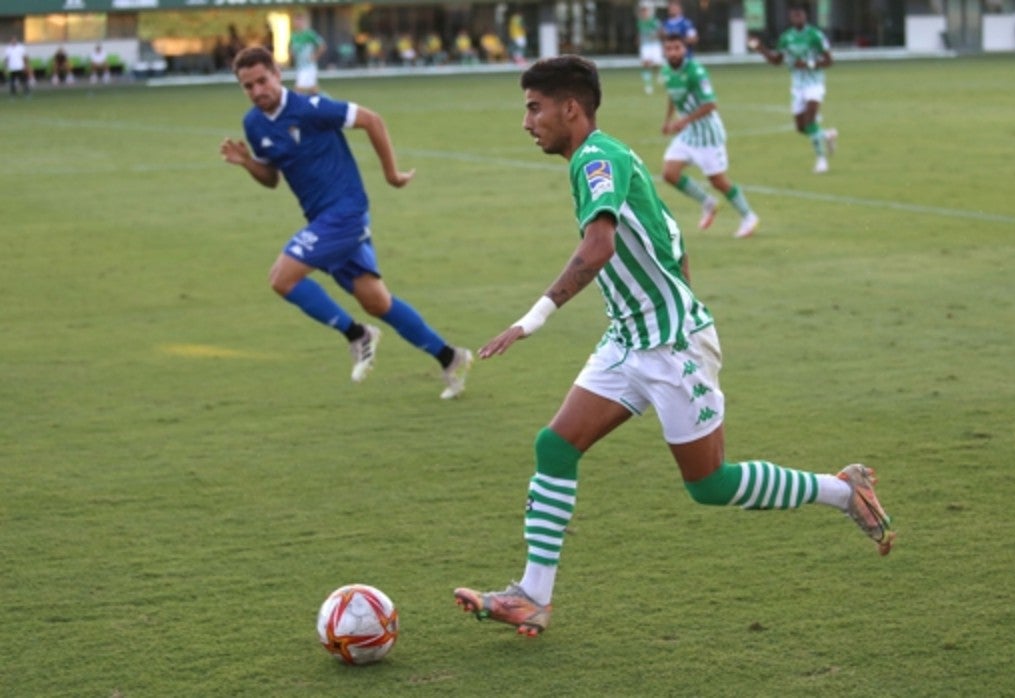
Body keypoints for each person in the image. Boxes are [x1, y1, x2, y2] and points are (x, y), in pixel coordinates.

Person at [452, 55, 894, 638]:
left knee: (710, 485)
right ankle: (533, 597)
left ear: (570, 108)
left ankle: (842, 491)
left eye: (535, 109)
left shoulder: (596, 159)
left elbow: (598, 247)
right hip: (628, 340)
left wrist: (532, 319)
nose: (527, 122)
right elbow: (672, 238)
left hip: (671, 347)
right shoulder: (608, 157)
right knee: (555, 447)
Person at [218, 47, 473, 398]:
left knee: (281, 278)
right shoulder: (254, 124)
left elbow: (372, 120)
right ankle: (450, 357)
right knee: (377, 302)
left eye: (263, 80)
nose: (257, 90)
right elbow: (271, 178)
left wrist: (391, 174)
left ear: (277, 74)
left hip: (346, 212)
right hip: (322, 220)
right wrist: (248, 163)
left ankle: (357, 334)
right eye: (248, 86)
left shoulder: (311, 108)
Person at [659, 34, 759, 239]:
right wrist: (668, 120)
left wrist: (684, 121)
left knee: (718, 181)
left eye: (677, 48)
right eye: (669, 49)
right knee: (669, 173)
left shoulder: (696, 72)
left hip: (708, 136)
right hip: (689, 134)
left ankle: (748, 216)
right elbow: (672, 95)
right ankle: (708, 202)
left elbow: (711, 104)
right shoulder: (666, 71)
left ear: (684, 49)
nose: (673, 53)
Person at [750, 4, 839, 174]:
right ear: (790, 18)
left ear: (805, 16)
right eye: (794, 15)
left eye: (800, 15)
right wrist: (761, 49)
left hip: (814, 84)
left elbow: (829, 60)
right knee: (801, 127)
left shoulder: (815, 35)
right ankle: (827, 135)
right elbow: (777, 61)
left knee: (810, 121)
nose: (797, 18)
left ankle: (821, 160)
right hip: (797, 86)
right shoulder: (786, 37)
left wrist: (809, 64)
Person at [289, 13, 326, 95]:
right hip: (300, 66)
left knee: (298, 90)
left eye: (299, 21)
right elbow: (292, 48)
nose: (297, 23)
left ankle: (296, 103)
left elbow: (322, 46)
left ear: (304, 22)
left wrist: (315, 56)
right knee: (313, 90)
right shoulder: (293, 36)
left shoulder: (309, 34)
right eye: (296, 21)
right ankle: (324, 100)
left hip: (309, 66)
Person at [636, 3, 662, 95]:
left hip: (655, 45)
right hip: (645, 45)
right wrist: (638, 40)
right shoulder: (640, 22)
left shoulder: (654, 21)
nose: (644, 12)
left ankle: (658, 74)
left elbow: (660, 32)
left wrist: (655, 35)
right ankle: (648, 85)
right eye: (643, 10)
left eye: (645, 10)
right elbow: (639, 33)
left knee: (657, 64)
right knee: (646, 64)